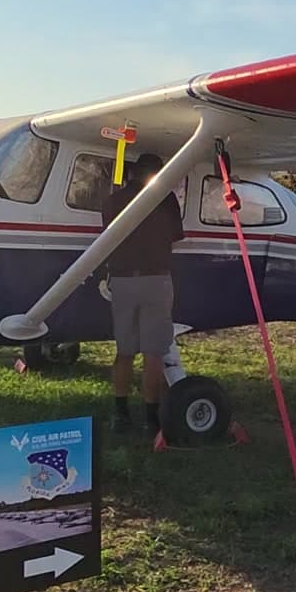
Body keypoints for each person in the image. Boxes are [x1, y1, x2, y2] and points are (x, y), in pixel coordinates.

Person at [101, 153, 184, 434]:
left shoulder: (113, 201)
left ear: (133, 173)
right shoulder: (167, 199)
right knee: (153, 353)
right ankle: (150, 419)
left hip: (123, 281)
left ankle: (121, 414)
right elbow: (175, 236)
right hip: (156, 280)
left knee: (124, 352)